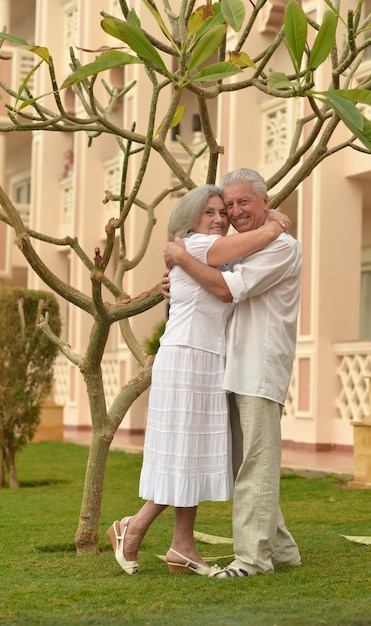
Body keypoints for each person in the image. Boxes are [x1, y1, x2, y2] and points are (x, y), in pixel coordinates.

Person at [106, 184, 286, 576]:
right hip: (187, 356)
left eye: (222, 211)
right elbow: (230, 281)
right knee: (184, 452)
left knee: (196, 453)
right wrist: (273, 226)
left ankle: (182, 547)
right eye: (210, 212)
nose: (220, 218)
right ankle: (132, 528)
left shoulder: (198, 253)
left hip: (207, 360)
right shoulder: (199, 245)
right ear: (191, 220)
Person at [163, 168, 302, 578]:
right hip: (233, 365)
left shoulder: (282, 247)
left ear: (264, 202)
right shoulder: (242, 247)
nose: (235, 211)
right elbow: (210, 285)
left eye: (244, 202)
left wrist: (183, 259)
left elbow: (226, 289)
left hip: (260, 364)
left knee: (255, 464)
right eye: (229, 205)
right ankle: (282, 550)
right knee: (247, 461)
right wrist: (180, 280)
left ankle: (252, 561)